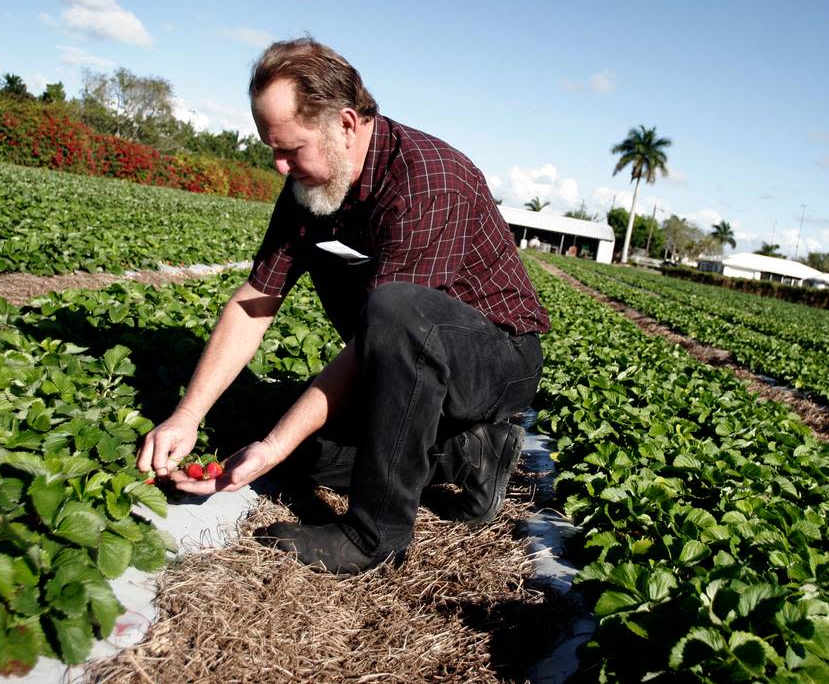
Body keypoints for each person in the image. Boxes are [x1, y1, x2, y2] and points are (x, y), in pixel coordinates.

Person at [135, 38, 549, 574]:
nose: (281, 167)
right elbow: (255, 300)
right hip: (404, 362)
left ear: (346, 124)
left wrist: (275, 447)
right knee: (261, 428)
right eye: (272, 150)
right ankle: (466, 457)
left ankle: (375, 534)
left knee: (390, 315)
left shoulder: (429, 180)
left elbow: (389, 330)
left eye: (292, 148)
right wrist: (186, 417)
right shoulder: (311, 187)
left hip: (495, 359)